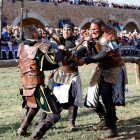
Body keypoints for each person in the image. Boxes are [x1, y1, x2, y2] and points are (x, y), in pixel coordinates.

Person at [73, 18, 128, 139]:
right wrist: (77, 54)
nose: (93, 32)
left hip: (114, 68)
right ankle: (106, 119)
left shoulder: (108, 36)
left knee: (106, 95)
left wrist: (85, 60)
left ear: (101, 28)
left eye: (95, 29)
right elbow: (85, 46)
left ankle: (112, 129)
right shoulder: (92, 36)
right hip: (102, 68)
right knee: (91, 96)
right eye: (91, 29)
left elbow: (104, 53)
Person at [17, 25, 65, 139]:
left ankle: (22, 129)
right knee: (55, 114)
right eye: (37, 31)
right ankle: (34, 138)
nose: (39, 32)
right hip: (36, 84)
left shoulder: (21, 46)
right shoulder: (40, 46)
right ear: (34, 34)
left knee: (34, 106)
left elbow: (40, 65)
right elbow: (56, 58)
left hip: (25, 84)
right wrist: (61, 50)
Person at [38, 21, 86, 131]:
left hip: (72, 74)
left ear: (73, 31)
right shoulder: (57, 38)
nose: (66, 32)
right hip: (58, 72)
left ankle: (71, 123)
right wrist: (58, 49)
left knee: (73, 98)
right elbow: (49, 46)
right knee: (49, 96)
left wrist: (73, 53)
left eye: (69, 30)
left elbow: (82, 49)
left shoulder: (77, 40)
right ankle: (42, 120)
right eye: (64, 30)